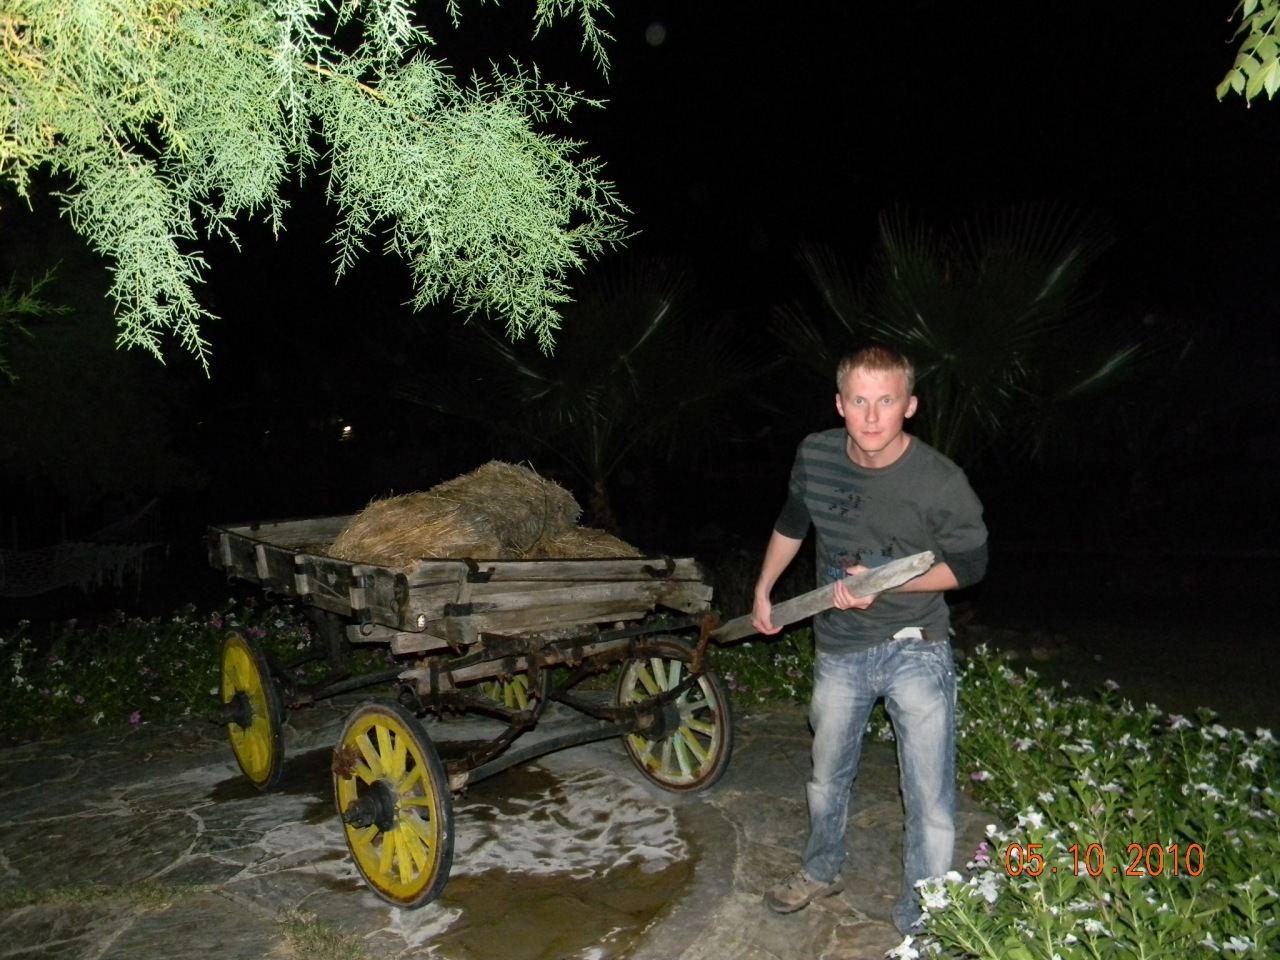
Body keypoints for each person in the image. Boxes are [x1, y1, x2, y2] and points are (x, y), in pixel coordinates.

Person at [752, 345, 987, 936]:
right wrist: (764, 589)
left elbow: (970, 565)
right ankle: (821, 868)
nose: (873, 415)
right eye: (859, 400)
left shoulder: (939, 480)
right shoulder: (816, 454)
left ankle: (925, 917)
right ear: (840, 404)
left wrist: (885, 584)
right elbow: (793, 521)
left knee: (930, 798)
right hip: (840, 646)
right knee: (826, 777)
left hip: (917, 644)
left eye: (887, 401)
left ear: (910, 405)